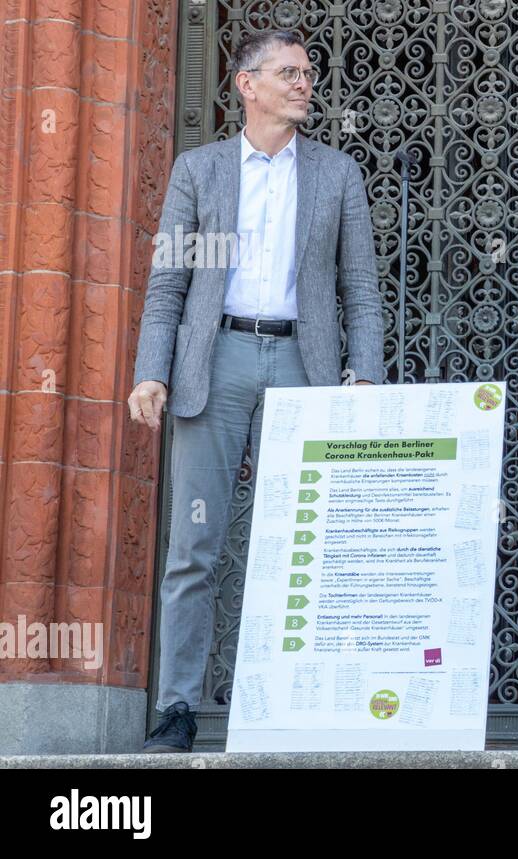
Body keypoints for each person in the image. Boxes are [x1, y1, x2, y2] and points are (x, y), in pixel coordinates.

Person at [128, 29, 384, 752]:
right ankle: (177, 710)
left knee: (302, 544)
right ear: (247, 84)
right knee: (195, 547)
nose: (305, 83)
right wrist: (153, 368)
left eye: (307, 73)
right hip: (218, 361)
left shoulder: (338, 174)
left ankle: (284, 709)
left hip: (305, 365)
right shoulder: (199, 170)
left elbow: (359, 286)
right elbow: (168, 282)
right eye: (289, 73)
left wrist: (364, 372)